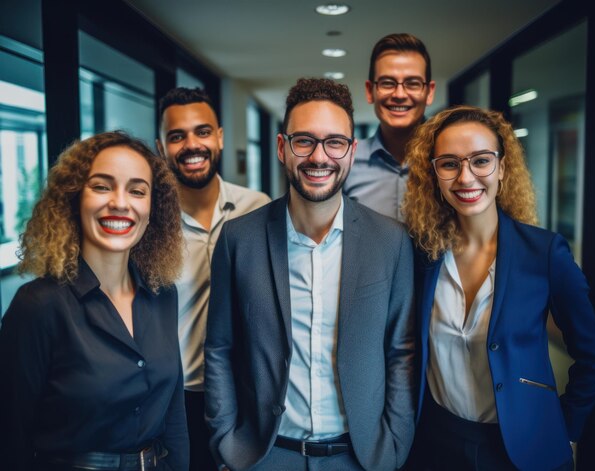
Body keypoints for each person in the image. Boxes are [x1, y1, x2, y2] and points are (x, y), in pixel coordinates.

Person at [204, 78, 416, 471]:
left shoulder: (391, 241)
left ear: (351, 152)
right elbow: (219, 348)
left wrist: (395, 442)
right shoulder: (238, 239)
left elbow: (400, 351)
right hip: (264, 455)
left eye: (335, 142)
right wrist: (226, 440)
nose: (320, 157)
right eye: (304, 141)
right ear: (283, 148)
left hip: (361, 456)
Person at [403, 105, 595, 470]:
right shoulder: (421, 255)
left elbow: (590, 358)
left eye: (480, 161)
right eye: (449, 164)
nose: (466, 177)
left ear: (502, 168)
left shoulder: (544, 252)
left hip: (521, 447)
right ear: (433, 174)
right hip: (434, 441)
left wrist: (566, 428)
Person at [0, 131, 189, 470]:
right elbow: (9, 437)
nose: (120, 202)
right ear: (74, 198)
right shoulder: (37, 306)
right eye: (102, 186)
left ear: (152, 208)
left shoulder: (163, 294)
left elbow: (173, 414)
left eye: (137, 190)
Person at [156, 87, 271, 471]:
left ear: (219, 137)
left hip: (246, 393)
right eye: (177, 136)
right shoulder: (150, 225)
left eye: (202, 132)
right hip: (176, 397)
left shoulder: (259, 208)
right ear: (161, 147)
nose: (192, 145)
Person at [343, 33, 436, 221]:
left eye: (412, 83)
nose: (400, 94)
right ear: (370, 91)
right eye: (387, 83)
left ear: (429, 92)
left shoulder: (451, 160)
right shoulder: (346, 161)